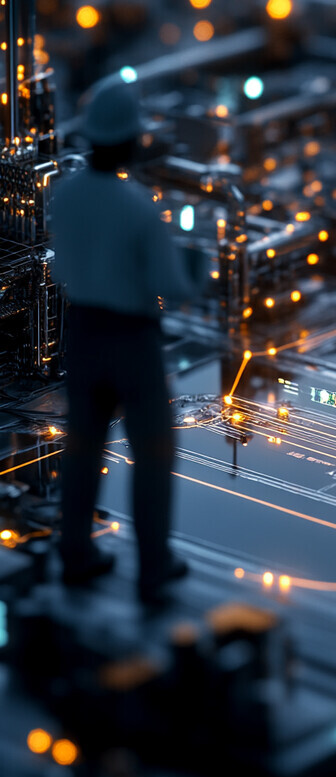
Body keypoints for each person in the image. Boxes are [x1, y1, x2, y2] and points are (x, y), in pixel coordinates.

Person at [51, 77, 199, 603]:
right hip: (132, 338)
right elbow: (171, 285)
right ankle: (153, 567)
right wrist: (195, 269)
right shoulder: (137, 206)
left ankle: (75, 554)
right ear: (132, 140)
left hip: (83, 332)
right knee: (154, 453)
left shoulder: (63, 194)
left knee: (82, 450)